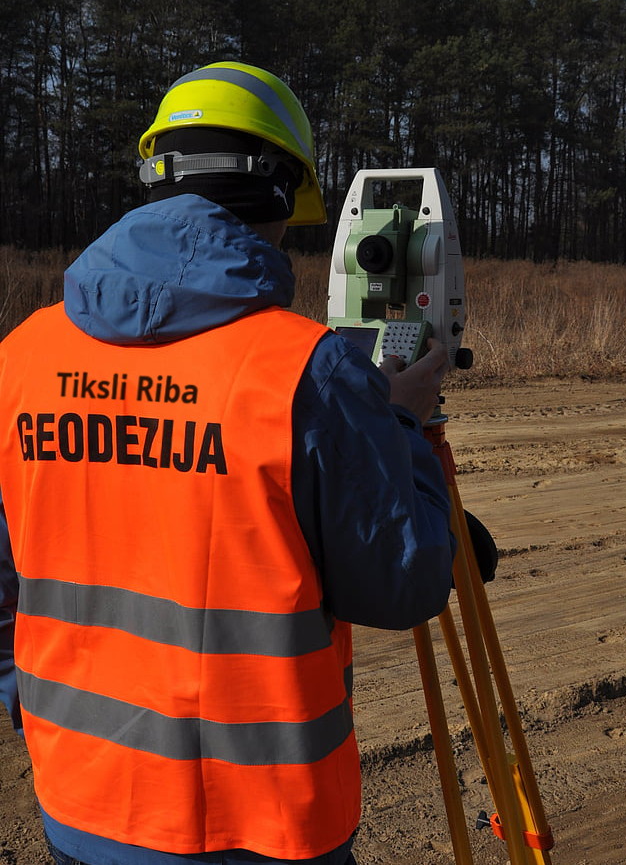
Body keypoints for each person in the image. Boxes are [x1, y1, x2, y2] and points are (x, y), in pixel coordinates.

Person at [0, 61, 455, 865]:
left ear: (156, 178)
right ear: (281, 195)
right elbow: (402, 585)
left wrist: (29, 708)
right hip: (259, 827)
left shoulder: (21, 357)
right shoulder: (307, 373)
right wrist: (401, 425)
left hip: (80, 803)